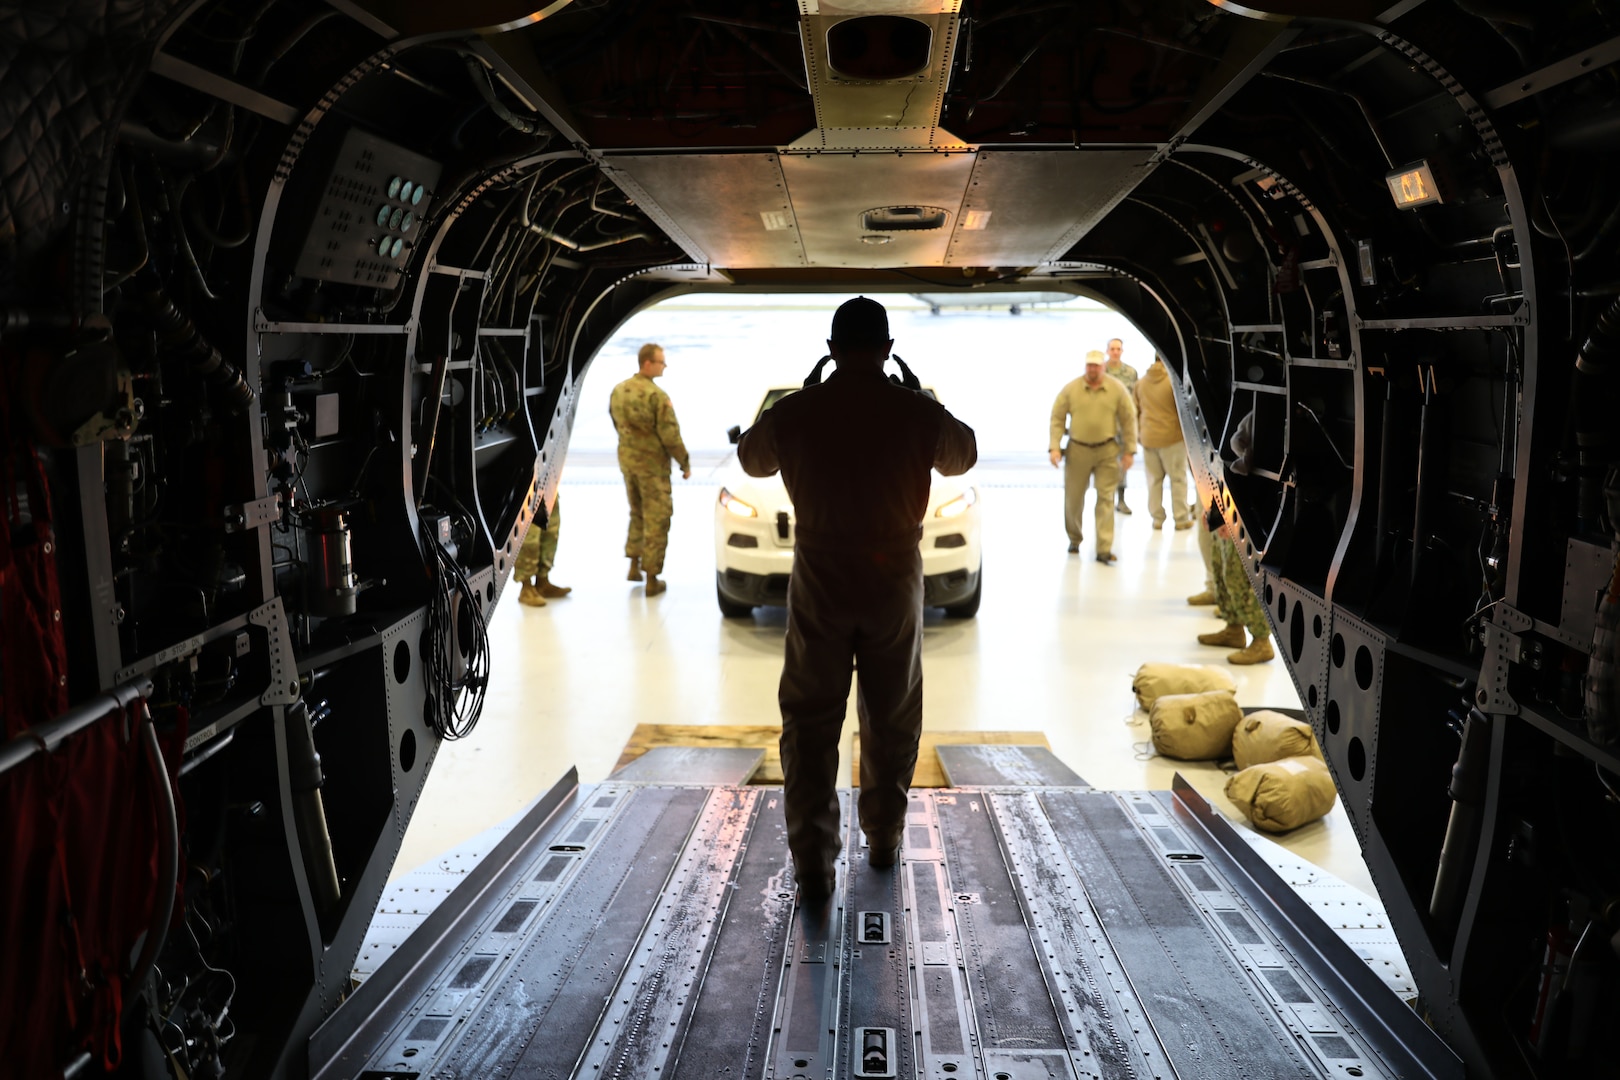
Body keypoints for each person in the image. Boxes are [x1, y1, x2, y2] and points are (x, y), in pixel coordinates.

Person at [737, 298, 976, 904]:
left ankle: (814, 866)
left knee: (812, 720)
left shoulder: (800, 410)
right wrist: (924, 399)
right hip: (893, 577)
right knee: (891, 713)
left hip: (819, 577)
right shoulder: (913, 410)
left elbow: (751, 459)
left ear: (832, 348)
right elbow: (963, 454)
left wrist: (801, 397)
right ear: (889, 349)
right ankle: (885, 839)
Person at [609, 343, 690, 597]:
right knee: (658, 518)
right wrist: (684, 462)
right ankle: (652, 578)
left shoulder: (619, 390)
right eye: (661, 362)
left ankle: (634, 565)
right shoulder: (656, 396)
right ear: (647, 363)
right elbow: (670, 436)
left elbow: (616, 421)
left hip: (628, 462)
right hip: (653, 467)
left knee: (637, 512)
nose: (664, 366)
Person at [1050, 348, 1136, 564]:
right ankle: (1074, 538)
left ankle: (1104, 549)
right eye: (1089, 366)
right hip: (1078, 450)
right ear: (1085, 367)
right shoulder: (1071, 389)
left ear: (1103, 367)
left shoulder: (1116, 389)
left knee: (1106, 498)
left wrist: (1129, 451)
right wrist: (1054, 447)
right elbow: (1057, 418)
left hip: (1107, 450)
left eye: (1096, 366)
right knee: (1073, 498)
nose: (1093, 370)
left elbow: (1129, 419)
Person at [1133, 356, 1193, 531]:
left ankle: (1157, 519)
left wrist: (1140, 434)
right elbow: (1183, 410)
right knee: (1178, 479)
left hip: (1148, 438)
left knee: (1154, 481)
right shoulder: (1173, 382)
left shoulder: (1141, 383)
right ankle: (1181, 519)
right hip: (1172, 439)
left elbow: (1135, 410)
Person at [515, 492, 571, 606]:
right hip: (528, 488)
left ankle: (542, 583)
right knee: (529, 538)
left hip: (548, 482)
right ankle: (526, 588)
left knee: (550, 532)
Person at [1104, 338, 1138, 515]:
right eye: (1112, 349)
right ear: (1107, 351)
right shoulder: (1099, 371)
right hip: (1104, 427)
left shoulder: (1131, 373)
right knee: (1104, 464)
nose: (1115, 352)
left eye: (1118, 349)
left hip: (1123, 427)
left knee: (1123, 464)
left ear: (1122, 351)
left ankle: (1121, 500)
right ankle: (1105, 500)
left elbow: (1135, 400)